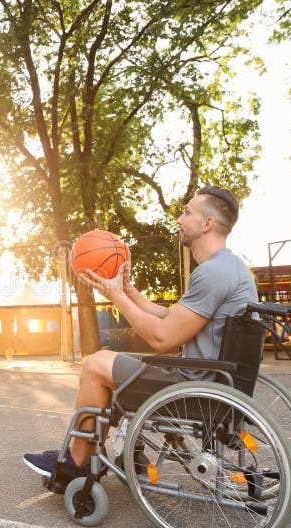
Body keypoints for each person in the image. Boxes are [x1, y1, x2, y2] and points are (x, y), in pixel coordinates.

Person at [23, 185, 258, 483]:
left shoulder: (214, 273)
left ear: (207, 224)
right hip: (212, 381)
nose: (179, 220)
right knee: (110, 363)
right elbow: (171, 318)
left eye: (187, 213)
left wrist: (115, 295)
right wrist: (128, 291)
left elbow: (162, 338)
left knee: (96, 364)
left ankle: (78, 462)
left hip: (194, 388)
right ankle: (93, 451)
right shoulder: (229, 267)